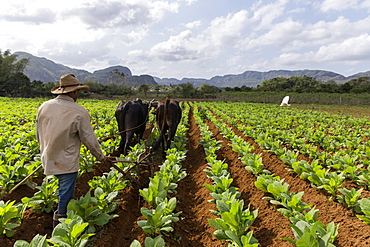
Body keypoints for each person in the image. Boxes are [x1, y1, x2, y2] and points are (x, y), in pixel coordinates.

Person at [36, 73, 112, 228]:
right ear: (73, 92)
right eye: (78, 91)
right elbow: (89, 139)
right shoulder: (79, 111)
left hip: (47, 156)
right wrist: (100, 157)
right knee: (65, 192)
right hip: (66, 160)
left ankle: (60, 218)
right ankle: (60, 221)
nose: (78, 94)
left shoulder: (44, 106)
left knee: (60, 187)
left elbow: (39, 132)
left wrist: (44, 149)